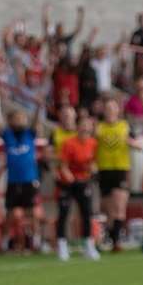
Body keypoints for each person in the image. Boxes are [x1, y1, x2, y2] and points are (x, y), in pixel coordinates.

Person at [54, 112, 99, 261]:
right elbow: (63, 165)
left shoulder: (93, 143)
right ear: (77, 127)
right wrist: (70, 179)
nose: (85, 128)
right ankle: (62, 245)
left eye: (88, 125)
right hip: (68, 183)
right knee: (64, 212)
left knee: (87, 213)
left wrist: (92, 169)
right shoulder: (69, 143)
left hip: (83, 182)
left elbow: (93, 161)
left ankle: (88, 244)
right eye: (83, 125)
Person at [0, 106, 43, 254]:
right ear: (10, 120)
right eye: (17, 117)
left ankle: (36, 241)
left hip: (29, 181)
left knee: (33, 213)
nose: (20, 120)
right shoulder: (7, 135)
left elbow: (36, 121)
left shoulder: (29, 134)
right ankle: (4, 243)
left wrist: (38, 107)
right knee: (10, 213)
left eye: (22, 117)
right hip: (13, 181)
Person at [94, 98, 132, 251]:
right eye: (107, 108)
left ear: (118, 110)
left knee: (119, 205)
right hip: (104, 170)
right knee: (108, 208)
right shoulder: (99, 128)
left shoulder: (124, 126)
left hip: (120, 169)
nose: (110, 111)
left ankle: (116, 241)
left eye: (113, 108)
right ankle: (110, 236)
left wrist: (133, 143)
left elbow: (131, 140)